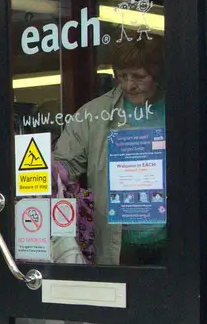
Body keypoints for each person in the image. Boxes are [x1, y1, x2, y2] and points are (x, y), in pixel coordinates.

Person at [50, 37, 165, 266]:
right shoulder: (95, 114)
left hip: (174, 239)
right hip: (117, 244)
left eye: (140, 77)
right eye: (122, 76)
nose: (129, 85)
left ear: (158, 74)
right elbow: (63, 166)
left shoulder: (181, 107)